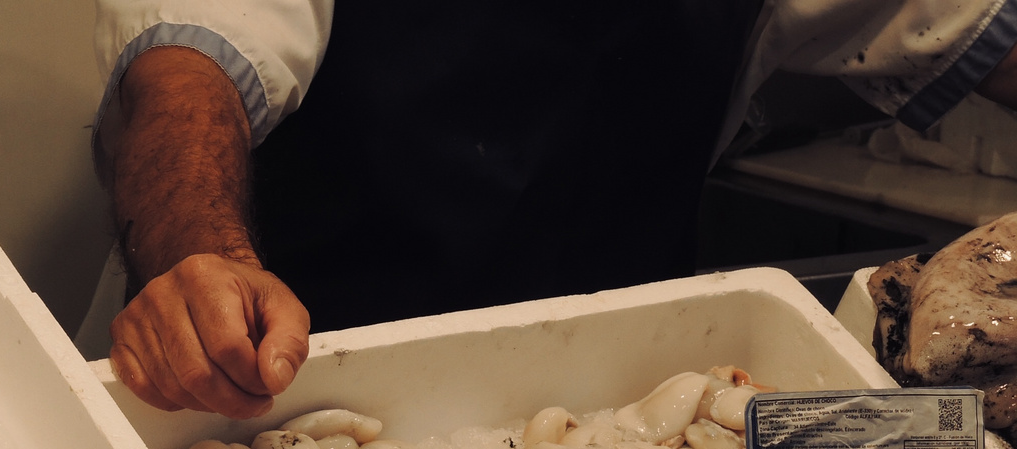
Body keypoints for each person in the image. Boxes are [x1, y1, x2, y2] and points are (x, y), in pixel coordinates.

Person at [89, 0, 1017, 419]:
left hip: (619, 397)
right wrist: (197, 258)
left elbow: (955, 25)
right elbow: (183, 75)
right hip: (287, 384)